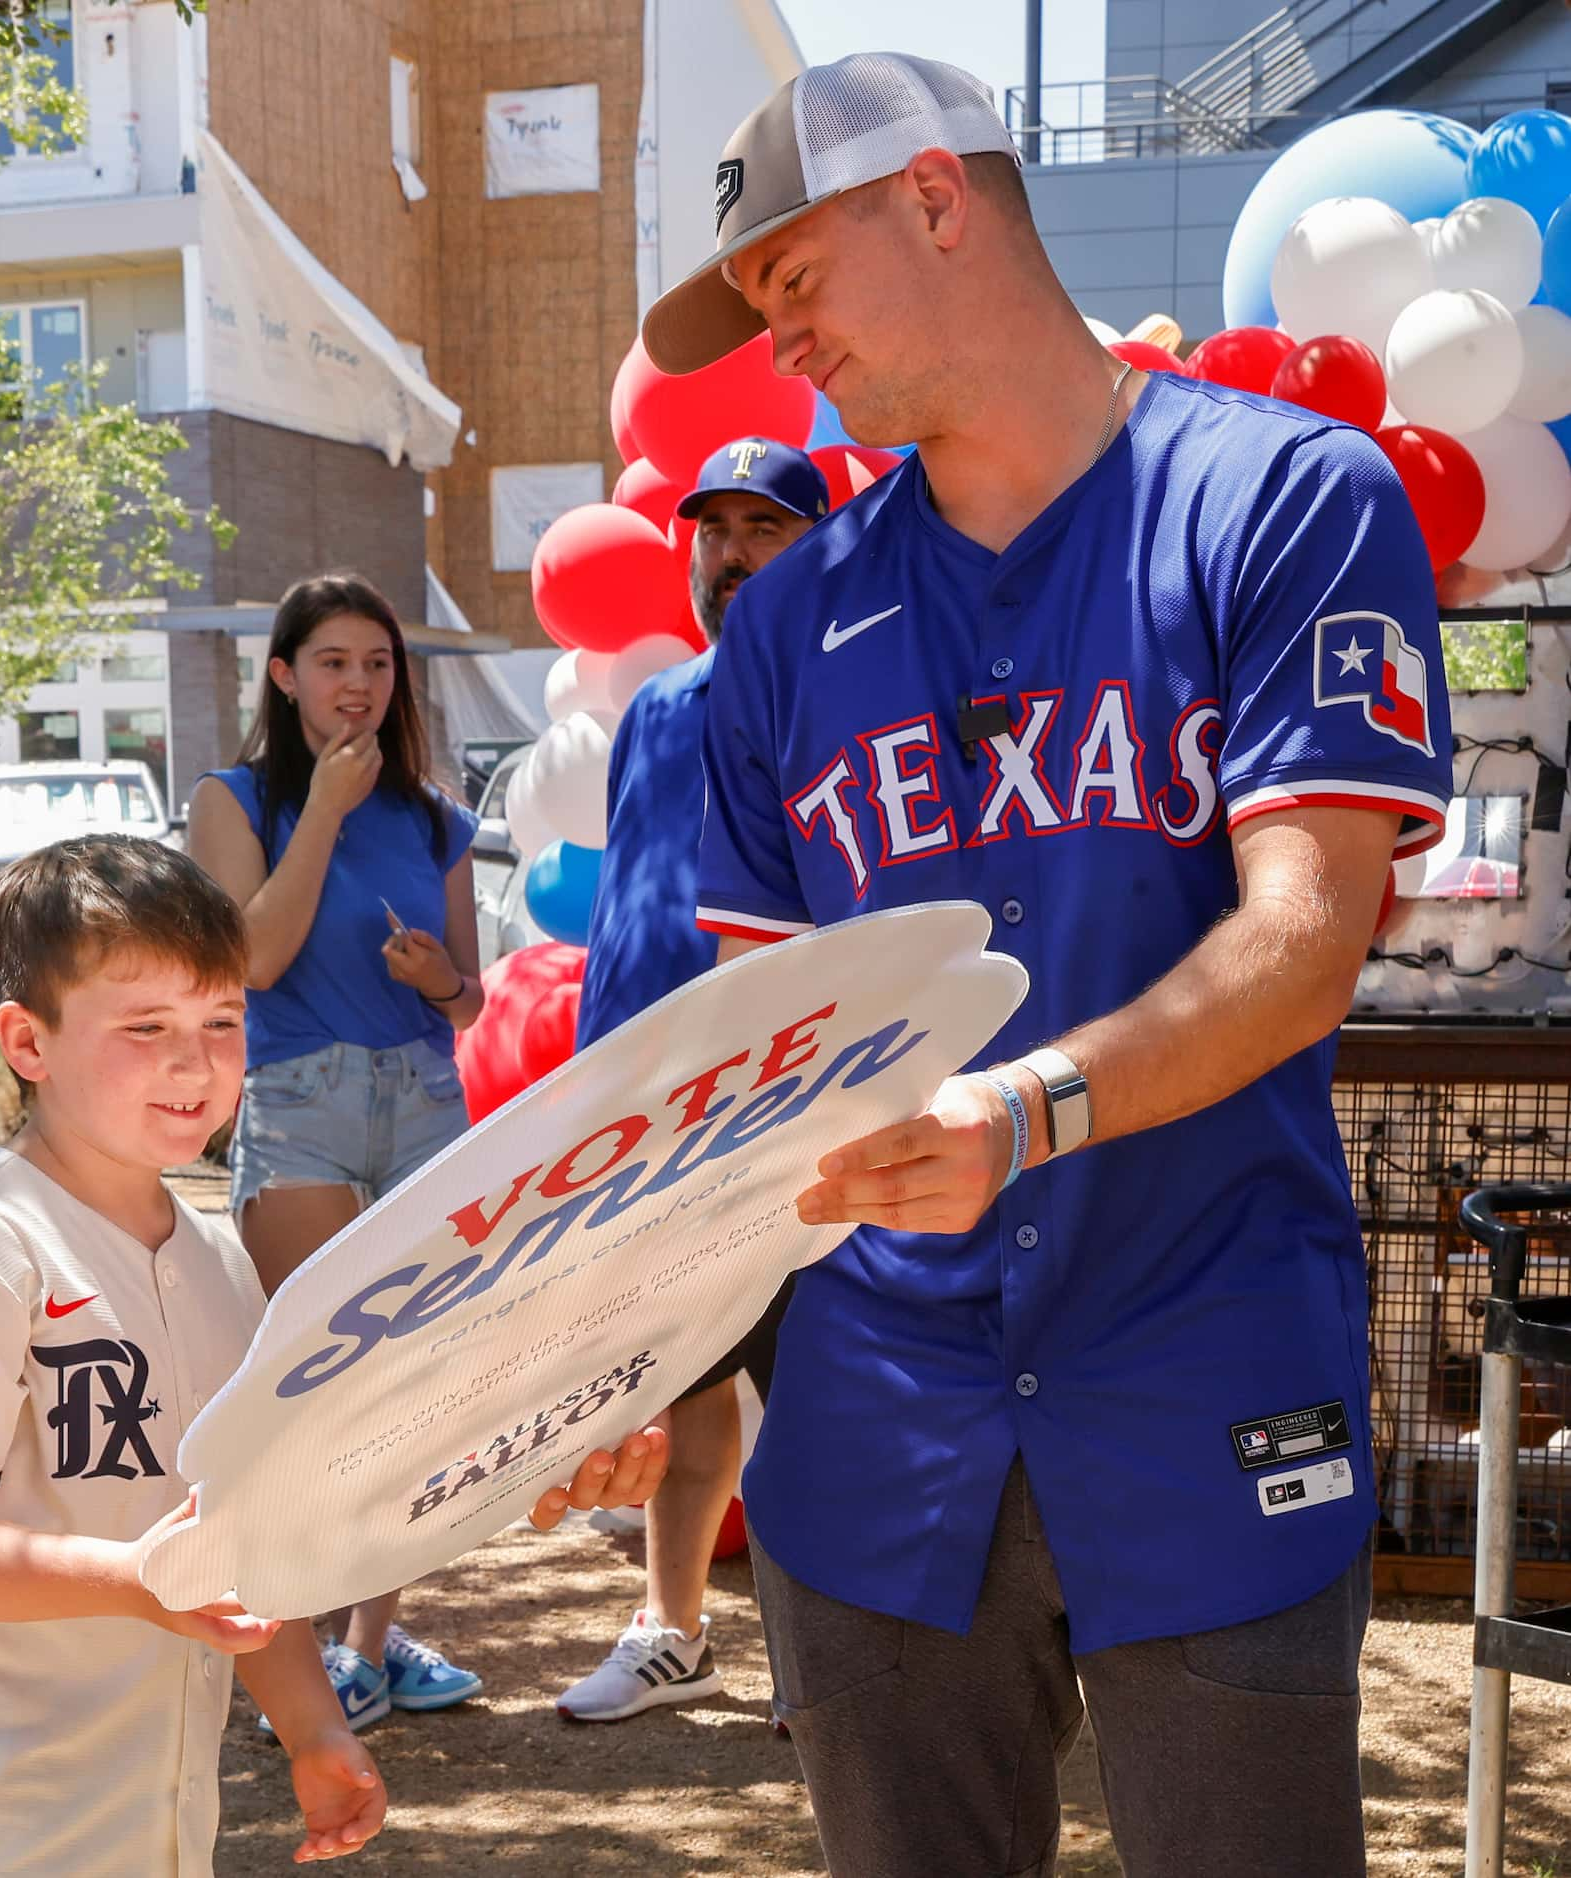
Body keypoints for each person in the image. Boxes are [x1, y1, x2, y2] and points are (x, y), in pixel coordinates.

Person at [642, 53, 1453, 1878]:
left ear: (935, 199)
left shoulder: (1281, 497)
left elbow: (1303, 933)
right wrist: (619, 1338)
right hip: (875, 1434)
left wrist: (1023, 1111)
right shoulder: (781, 627)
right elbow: (757, 1059)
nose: (786, 347)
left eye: (794, 281)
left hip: (1203, 1367)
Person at [0, 834, 667, 1877]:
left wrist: (316, 1728)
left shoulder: (224, 1271)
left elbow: (247, 1546)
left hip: (156, 1831)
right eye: (145, 1027)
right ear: (26, 1042)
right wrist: (144, 1581)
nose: (193, 1062)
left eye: (223, 1020)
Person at [188, 573, 488, 1732]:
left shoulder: (435, 815)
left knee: (407, 1383)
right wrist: (318, 810)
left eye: (376, 664)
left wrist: (440, 981)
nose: (357, 685)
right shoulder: (233, 799)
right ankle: (297, 1640)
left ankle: (369, 1645)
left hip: (422, 1100)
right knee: (316, 1384)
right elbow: (250, 962)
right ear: (284, 676)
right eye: (332, 663)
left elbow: (469, 1004)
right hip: (300, 1102)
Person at [556, 437, 823, 1723]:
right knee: (685, 1371)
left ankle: (827, 1657)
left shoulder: (853, 698)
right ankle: (672, 1633)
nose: (729, 553)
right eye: (712, 530)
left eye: (762, 528)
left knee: (823, 1385)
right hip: (652, 1116)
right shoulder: (658, 710)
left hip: (792, 1106)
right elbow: (628, 912)